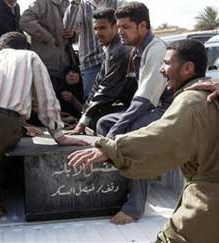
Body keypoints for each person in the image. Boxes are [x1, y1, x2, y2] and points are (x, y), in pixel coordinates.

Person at [68, 39, 218, 243]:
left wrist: (112, 149)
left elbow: (162, 136)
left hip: (208, 201)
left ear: (188, 68)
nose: (161, 70)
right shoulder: (210, 96)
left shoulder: (191, 100)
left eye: (166, 63)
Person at [0, 32, 88, 215]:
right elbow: (46, 97)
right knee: (1, 157)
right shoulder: (30, 56)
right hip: (2, 124)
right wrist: (58, 134)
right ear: (25, 47)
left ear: (0, 46)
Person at [93, 2, 173, 225]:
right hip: (149, 106)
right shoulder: (137, 51)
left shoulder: (156, 48)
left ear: (143, 26)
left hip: (165, 110)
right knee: (104, 123)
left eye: (125, 27)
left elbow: (145, 100)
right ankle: (127, 182)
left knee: (131, 131)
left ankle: (135, 207)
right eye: (118, 27)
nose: (120, 32)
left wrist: (112, 138)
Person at [70, 8, 136, 135]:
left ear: (115, 27)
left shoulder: (120, 51)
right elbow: (98, 84)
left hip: (134, 106)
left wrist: (83, 122)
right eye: (95, 29)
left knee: (99, 122)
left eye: (102, 28)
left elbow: (106, 89)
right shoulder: (110, 49)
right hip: (121, 103)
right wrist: (83, 117)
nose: (97, 33)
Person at [64, 0, 123, 98]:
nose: (98, 33)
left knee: (116, 99)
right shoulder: (81, 5)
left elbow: (125, 25)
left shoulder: (116, 2)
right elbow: (68, 28)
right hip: (90, 62)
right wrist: (75, 3)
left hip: (115, 60)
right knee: (92, 100)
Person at [19, 0, 74, 93]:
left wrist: (73, 34)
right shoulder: (40, 3)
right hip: (47, 65)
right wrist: (48, 38)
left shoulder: (68, 4)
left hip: (67, 65)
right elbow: (25, 21)